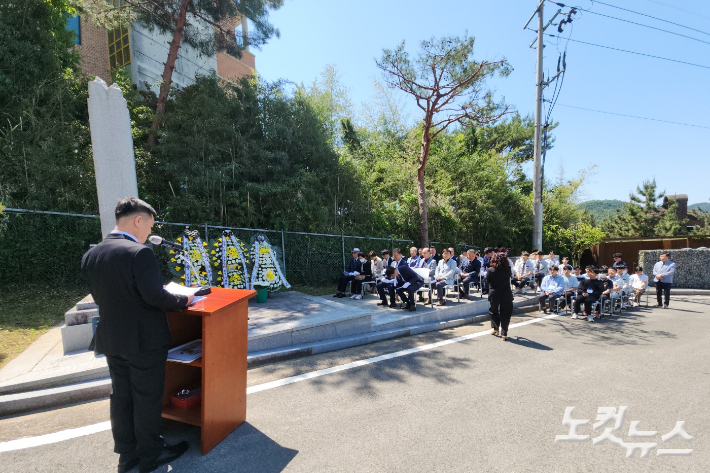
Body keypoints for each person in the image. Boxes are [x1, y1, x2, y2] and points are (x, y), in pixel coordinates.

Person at [81, 197, 191, 473]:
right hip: (143, 341)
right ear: (138, 220)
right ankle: (151, 455)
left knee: (121, 396)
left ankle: (126, 455)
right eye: (148, 226)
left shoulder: (93, 254)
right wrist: (184, 301)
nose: (147, 235)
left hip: (111, 338)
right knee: (146, 398)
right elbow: (154, 296)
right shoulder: (138, 253)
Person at [487, 252, 514, 341]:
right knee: (506, 313)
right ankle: (504, 333)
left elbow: (488, 281)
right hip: (506, 293)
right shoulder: (508, 269)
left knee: (493, 310)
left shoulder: (491, 270)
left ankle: (495, 328)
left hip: (494, 293)